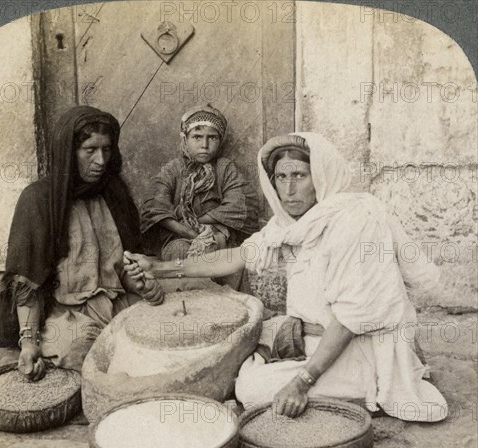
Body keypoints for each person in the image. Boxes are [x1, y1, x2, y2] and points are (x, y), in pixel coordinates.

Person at [127, 132, 447, 422]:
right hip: (314, 337)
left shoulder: (354, 220)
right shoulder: (294, 223)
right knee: (243, 347)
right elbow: (237, 256)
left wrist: (301, 383)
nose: (289, 189)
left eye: (300, 175)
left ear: (320, 176)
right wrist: (162, 269)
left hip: (360, 349)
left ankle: (364, 391)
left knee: (251, 389)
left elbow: (350, 319)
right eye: (281, 177)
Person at [0, 106, 163, 381]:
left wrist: (143, 285)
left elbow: (127, 268)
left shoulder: (115, 193)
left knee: (164, 333)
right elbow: (27, 283)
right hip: (69, 315)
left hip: (118, 303)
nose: (101, 160)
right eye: (90, 150)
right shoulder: (38, 200)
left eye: (107, 149)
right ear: (68, 152)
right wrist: (28, 342)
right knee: (81, 351)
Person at [140, 104, 258, 288]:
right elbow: (155, 207)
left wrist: (202, 224)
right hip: (179, 236)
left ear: (220, 141)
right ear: (185, 139)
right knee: (180, 252)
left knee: (225, 256)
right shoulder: (173, 169)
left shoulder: (225, 168)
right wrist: (188, 231)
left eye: (212, 137)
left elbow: (238, 204)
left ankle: (227, 303)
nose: (204, 145)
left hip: (218, 235)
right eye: (197, 137)